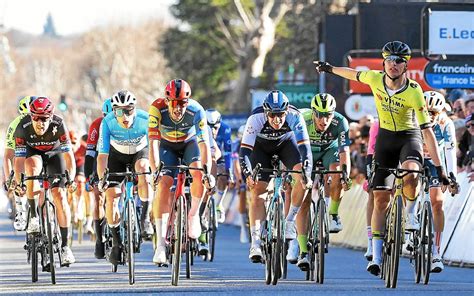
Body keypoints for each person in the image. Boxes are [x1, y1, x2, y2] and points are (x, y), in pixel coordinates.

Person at [314, 40, 454, 276]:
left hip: (409, 136)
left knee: (411, 173)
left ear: (406, 66)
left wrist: (440, 167)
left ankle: (410, 215)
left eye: (399, 61)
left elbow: (427, 131)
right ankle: (377, 255)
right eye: (389, 59)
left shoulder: (414, 91)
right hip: (386, 139)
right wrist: (329, 69)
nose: (394, 64)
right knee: (380, 199)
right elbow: (353, 73)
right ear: (384, 62)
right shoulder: (375, 79)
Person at [239, 90, 313, 263]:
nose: (277, 119)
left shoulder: (295, 116)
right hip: (261, 149)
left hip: (287, 145)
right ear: (266, 113)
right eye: (272, 115)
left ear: (286, 112)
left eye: (280, 114)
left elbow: (305, 150)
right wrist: (248, 173)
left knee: (301, 178)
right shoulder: (255, 119)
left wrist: (306, 174)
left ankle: (289, 222)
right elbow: (245, 152)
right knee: (258, 191)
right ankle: (256, 242)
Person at [148, 79, 215, 265]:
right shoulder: (156, 108)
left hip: (189, 144)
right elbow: (153, 143)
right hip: (166, 146)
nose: (178, 109)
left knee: (199, 174)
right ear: (167, 101)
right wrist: (155, 171)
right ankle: (161, 244)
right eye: (174, 104)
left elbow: (204, 145)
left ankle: (193, 215)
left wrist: (208, 171)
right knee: (163, 182)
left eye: (182, 104)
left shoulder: (197, 110)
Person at [288, 93, 351, 270]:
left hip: (328, 152)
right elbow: (290, 148)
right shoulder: (302, 119)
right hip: (306, 153)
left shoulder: (341, 123)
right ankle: (301, 250)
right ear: (313, 112)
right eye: (320, 115)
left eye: (328, 115)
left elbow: (344, 151)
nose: (324, 120)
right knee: (304, 200)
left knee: (338, 173)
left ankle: (333, 214)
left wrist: (347, 174)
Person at [13, 96, 77, 266]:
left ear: (51, 117)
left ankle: (65, 247)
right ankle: (34, 216)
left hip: (54, 154)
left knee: (60, 197)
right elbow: (18, 160)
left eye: (44, 119)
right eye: (36, 119)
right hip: (33, 153)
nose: (40, 123)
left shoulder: (59, 124)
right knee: (31, 167)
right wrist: (19, 181)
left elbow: (68, 156)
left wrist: (70, 178)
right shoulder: (22, 127)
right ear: (31, 116)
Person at [96, 90, 153, 265]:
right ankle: (116, 242)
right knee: (111, 196)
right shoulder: (107, 122)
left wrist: (154, 171)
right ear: (114, 111)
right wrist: (101, 180)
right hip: (116, 156)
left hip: (139, 152)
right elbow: (102, 156)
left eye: (128, 110)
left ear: (134, 109)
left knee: (143, 168)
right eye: (119, 111)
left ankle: (144, 219)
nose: (124, 116)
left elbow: (154, 149)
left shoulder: (145, 119)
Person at [423, 91, 458, 273]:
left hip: (436, 163)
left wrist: (452, 178)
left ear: (441, 111)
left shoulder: (446, 123)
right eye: (426, 111)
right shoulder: (412, 118)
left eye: (434, 112)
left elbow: (450, 152)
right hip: (415, 158)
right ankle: (409, 222)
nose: (429, 116)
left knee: (438, 203)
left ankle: (436, 252)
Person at [84, 98, 113, 259]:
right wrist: (89, 176)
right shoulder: (97, 125)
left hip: (118, 159)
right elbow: (89, 154)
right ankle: (100, 238)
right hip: (100, 160)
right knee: (98, 196)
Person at [3, 96, 33, 230]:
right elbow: (8, 155)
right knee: (17, 176)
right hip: (20, 153)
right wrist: (10, 178)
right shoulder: (15, 125)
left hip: (37, 152)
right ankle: (21, 210)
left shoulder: (43, 121)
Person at [205, 108, 233, 223]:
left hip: (219, 155)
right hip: (205, 154)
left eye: (215, 128)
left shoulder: (226, 129)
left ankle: (218, 205)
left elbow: (227, 152)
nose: (212, 131)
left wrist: (229, 171)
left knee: (224, 175)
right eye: (209, 127)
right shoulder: (200, 127)